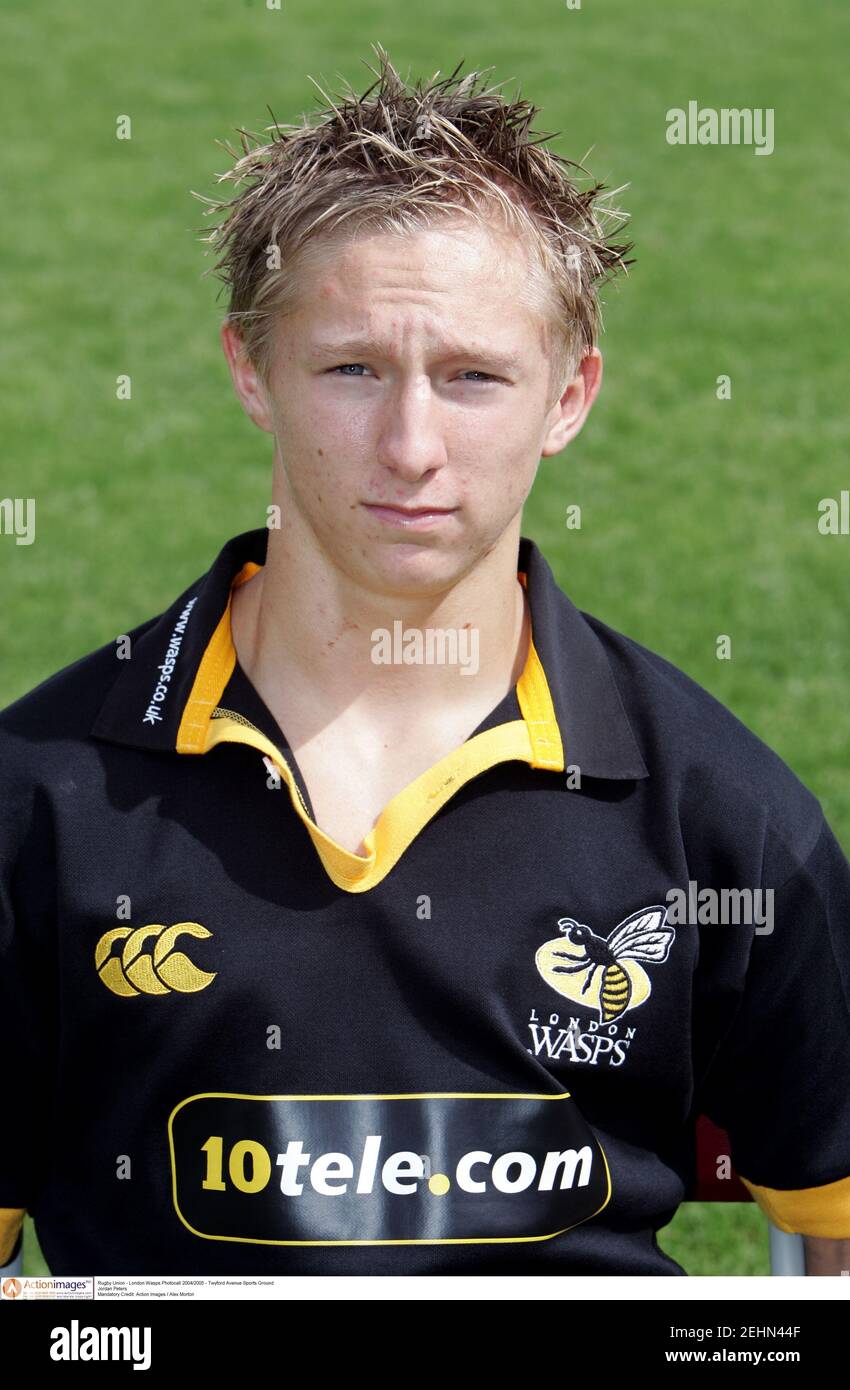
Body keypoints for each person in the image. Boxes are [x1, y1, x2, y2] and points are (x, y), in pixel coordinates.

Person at [1, 47, 848, 1279]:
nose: (410, 446)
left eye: (472, 378)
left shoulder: (724, 820)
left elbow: (829, 1228)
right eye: (351, 369)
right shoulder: (38, 801)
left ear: (569, 396)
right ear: (251, 371)